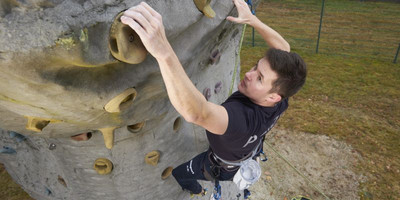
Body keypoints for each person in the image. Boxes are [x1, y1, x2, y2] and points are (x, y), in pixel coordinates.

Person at [121, 0, 307, 198]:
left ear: (272, 97)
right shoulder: (282, 98)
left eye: (260, 78)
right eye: (255, 67)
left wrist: (163, 52)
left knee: (180, 173)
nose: (249, 74)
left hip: (221, 166)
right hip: (245, 149)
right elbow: (284, 47)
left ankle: (196, 189)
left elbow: (197, 112)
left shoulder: (240, 120)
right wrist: (251, 20)